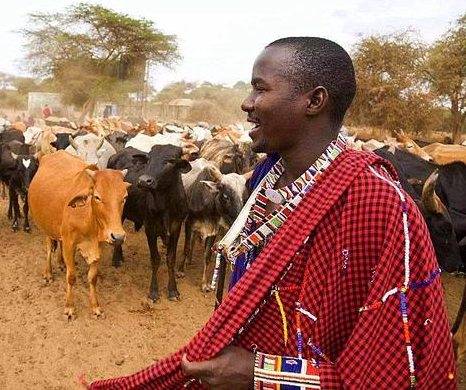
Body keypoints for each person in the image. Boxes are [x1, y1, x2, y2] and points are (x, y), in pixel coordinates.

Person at [85, 38, 456, 389]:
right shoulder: (265, 178)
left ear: (314, 101)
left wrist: (261, 374)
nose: (246, 103)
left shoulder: (379, 206)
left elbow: (392, 374)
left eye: (260, 89)